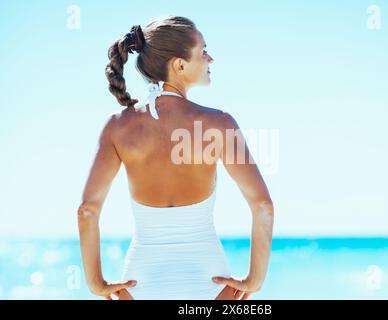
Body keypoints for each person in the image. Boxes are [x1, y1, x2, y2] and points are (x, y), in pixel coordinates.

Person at [77, 15, 274, 300]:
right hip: (210, 283)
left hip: (139, 283)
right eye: (203, 51)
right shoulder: (219, 124)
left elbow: (87, 211)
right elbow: (263, 205)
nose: (211, 59)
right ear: (179, 65)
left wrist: (96, 282)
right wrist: (255, 279)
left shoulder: (117, 127)